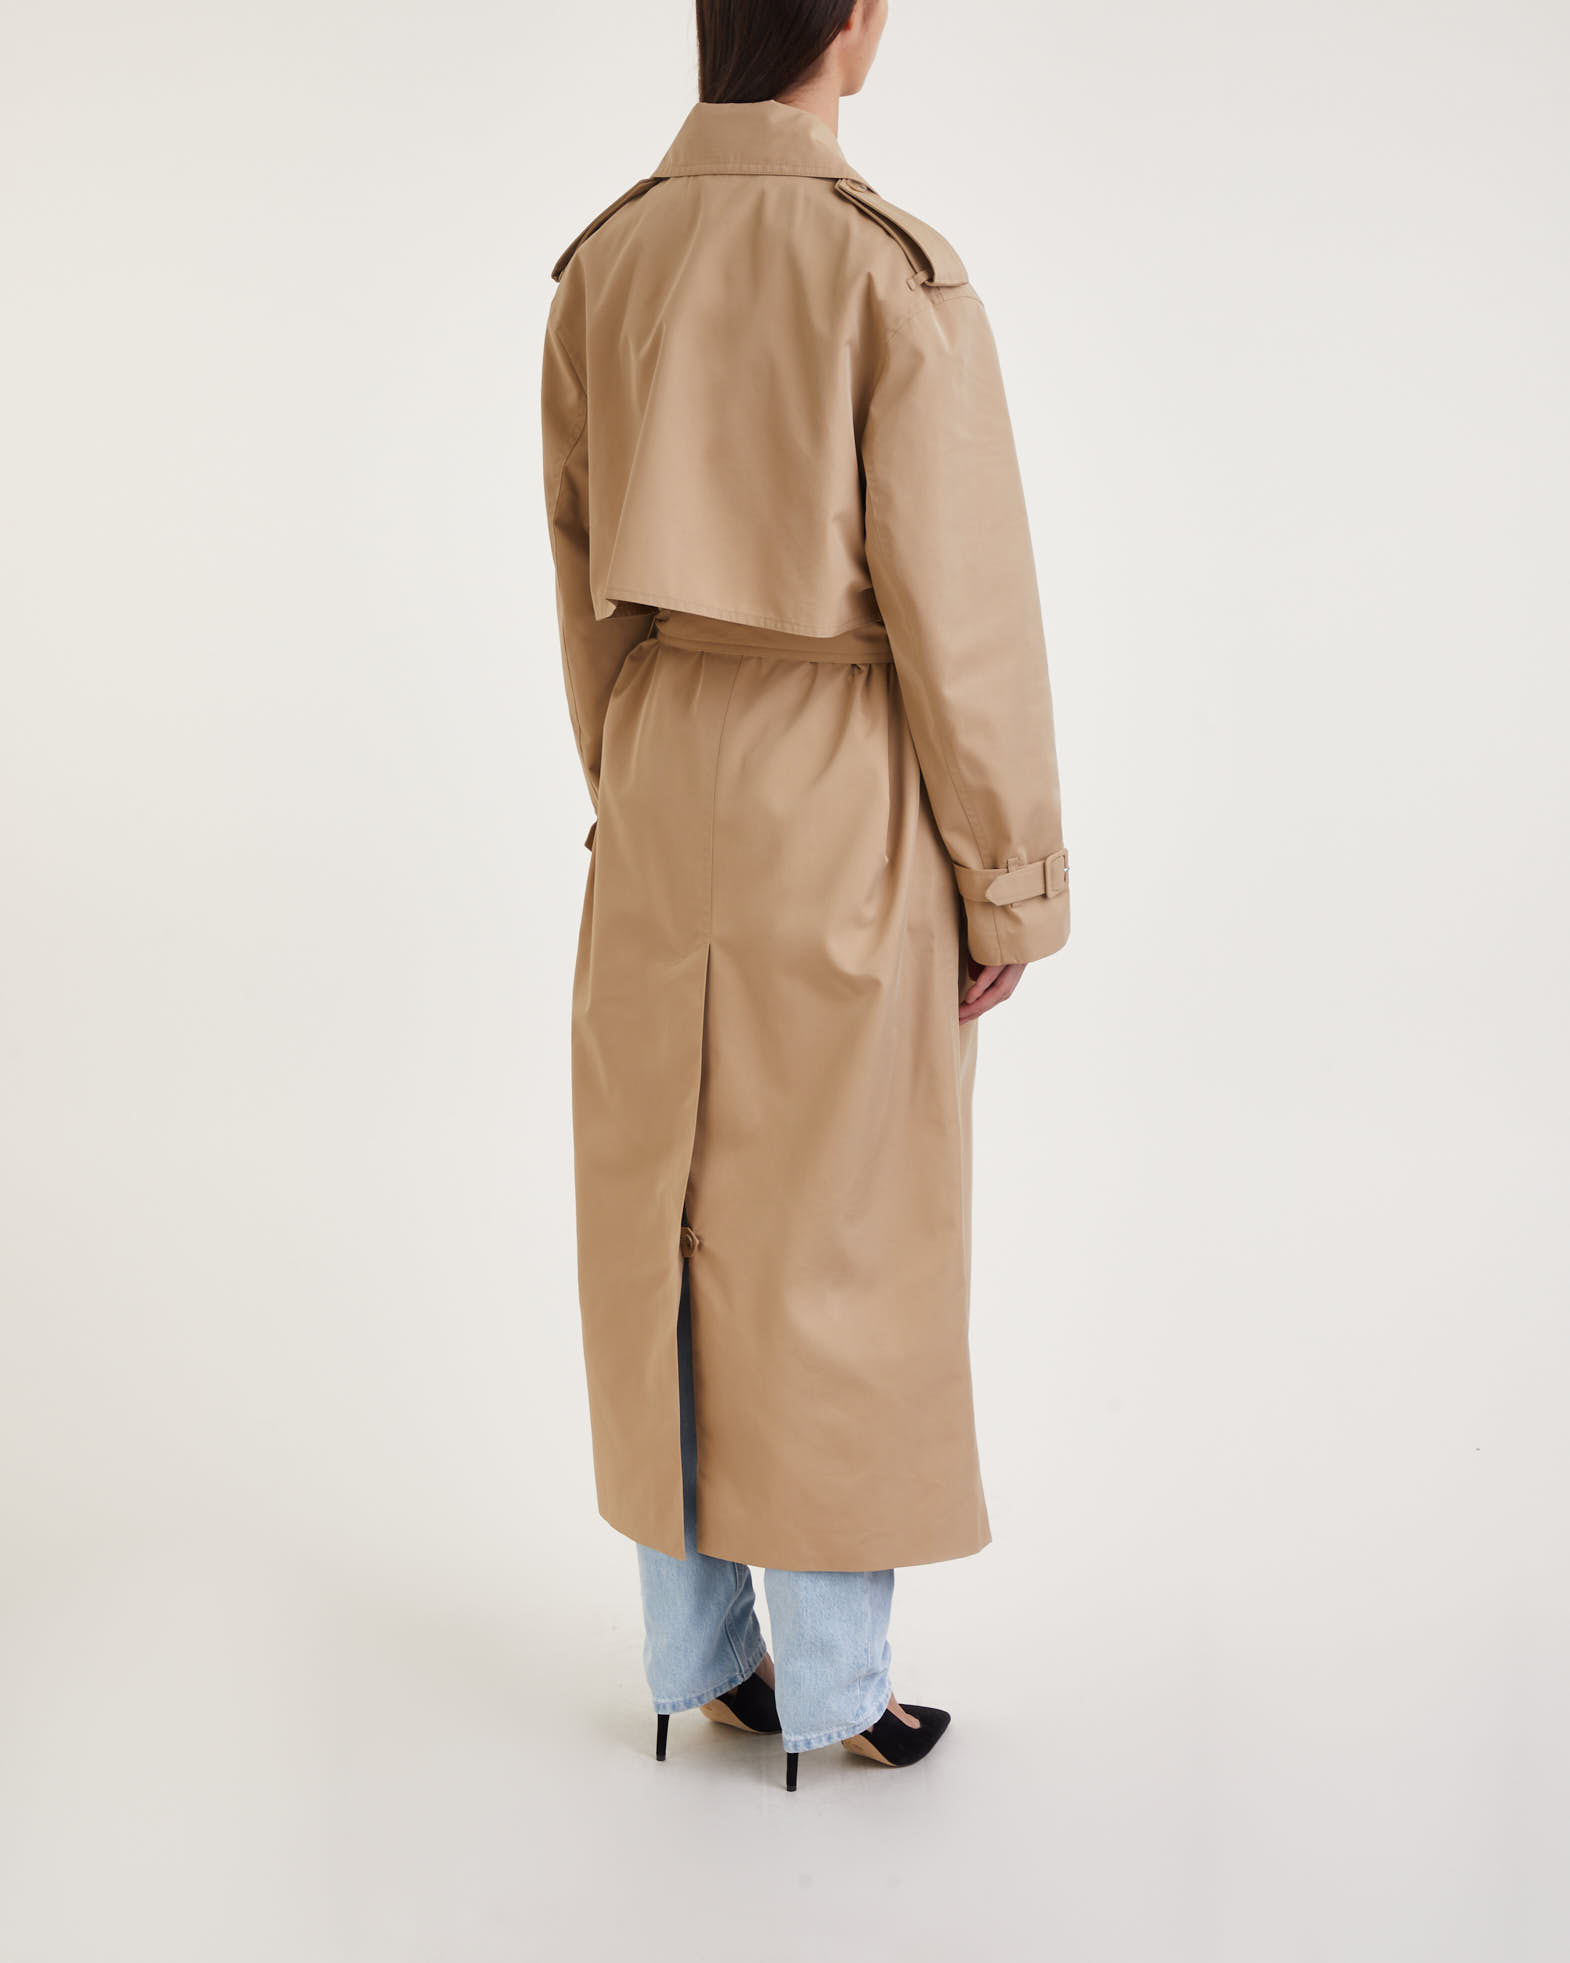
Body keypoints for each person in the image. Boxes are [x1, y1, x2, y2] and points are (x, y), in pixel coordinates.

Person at [540, 0, 1070, 1792]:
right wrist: (1006, 882)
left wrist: (633, 781)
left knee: (657, 1212)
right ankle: (838, 1686)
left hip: (663, 753)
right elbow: (962, 612)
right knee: (837, 1231)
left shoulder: (605, 262)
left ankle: (697, 1660)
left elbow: (579, 573)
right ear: (846, 23)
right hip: (842, 769)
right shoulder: (886, 271)